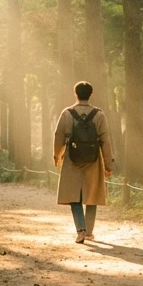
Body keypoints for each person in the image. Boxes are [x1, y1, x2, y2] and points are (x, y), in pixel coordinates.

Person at [52, 81, 114, 243]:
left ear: (76, 94)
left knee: (74, 196)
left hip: (72, 160)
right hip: (93, 160)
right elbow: (106, 141)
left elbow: (58, 136)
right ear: (90, 94)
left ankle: (81, 229)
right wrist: (108, 164)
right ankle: (89, 232)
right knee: (92, 195)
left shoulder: (67, 113)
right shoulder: (99, 115)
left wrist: (57, 156)